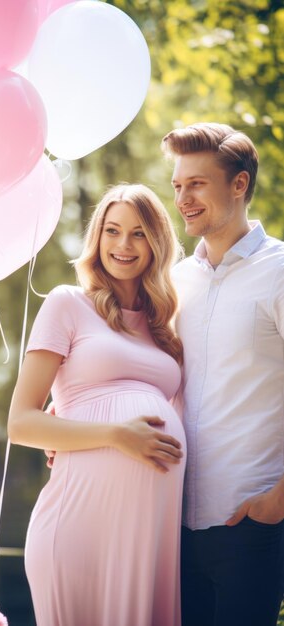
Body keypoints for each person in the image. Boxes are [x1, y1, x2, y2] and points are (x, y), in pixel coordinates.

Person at [8, 184, 186, 626]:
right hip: (80, 527)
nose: (123, 245)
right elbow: (20, 424)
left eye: (139, 233)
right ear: (97, 237)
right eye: (112, 230)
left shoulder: (166, 326)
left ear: (157, 242)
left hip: (150, 535)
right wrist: (114, 434)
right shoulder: (67, 303)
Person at [161, 122, 284, 626]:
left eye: (197, 184)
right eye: (177, 186)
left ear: (239, 185)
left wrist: (278, 502)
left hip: (250, 523)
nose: (183, 199)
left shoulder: (280, 270)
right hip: (170, 525)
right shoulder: (172, 280)